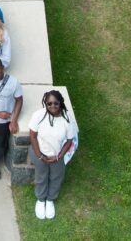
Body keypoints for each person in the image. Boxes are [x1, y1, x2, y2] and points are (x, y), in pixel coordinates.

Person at [28, 89, 78, 221]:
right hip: (39, 153)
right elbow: (32, 136)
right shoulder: (38, 115)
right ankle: (41, 200)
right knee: (41, 176)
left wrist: (59, 156)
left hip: (57, 156)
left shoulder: (67, 119)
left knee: (56, 177)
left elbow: (69, 140)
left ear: (61, 103)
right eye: (49, 103)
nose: (52, 106)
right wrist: (40, 156)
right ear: (45, 103)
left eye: (56, 103)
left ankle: (50, 200)